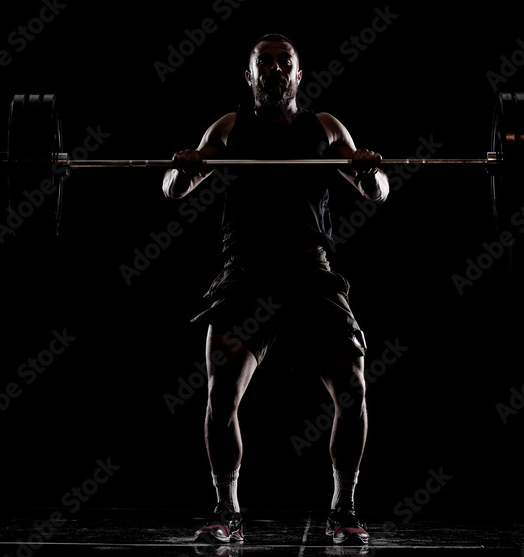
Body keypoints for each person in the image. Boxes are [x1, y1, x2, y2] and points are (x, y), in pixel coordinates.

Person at [162, 33, 389, 546]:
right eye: (263, 63)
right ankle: (227, 510)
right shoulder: (229, 127)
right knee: (222, 394)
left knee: (353, 386)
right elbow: (172, 191)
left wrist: (371, 172)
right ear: (249, 76)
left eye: (284, 62)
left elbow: (377, 192)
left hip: (310, 270)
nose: (274, 70)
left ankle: (344, 509)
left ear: (299, 75)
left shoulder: (325, 128)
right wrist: (183, 168)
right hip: (246, 272)